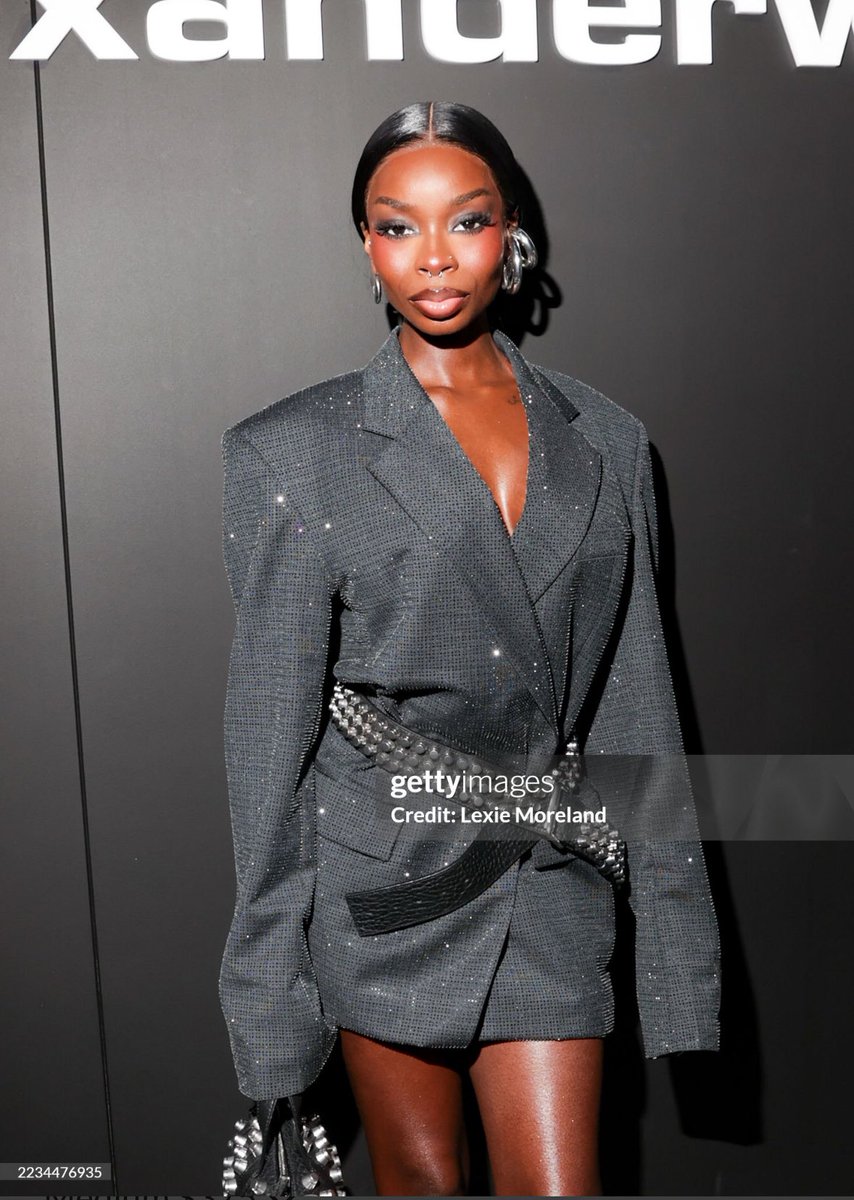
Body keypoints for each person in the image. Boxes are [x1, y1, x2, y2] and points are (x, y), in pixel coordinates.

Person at [218, 101, 721, 1196]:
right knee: (421, 1182)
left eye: (467, 222)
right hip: (384, 887)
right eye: (398, 227)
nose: (434, 257)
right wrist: (267, 998)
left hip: (547, 876)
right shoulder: (293, 453)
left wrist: (677, 960)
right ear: (365, 243)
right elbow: (266, 747)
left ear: (511, 237)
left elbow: (637, 705)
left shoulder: (607, 441)